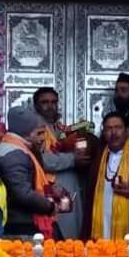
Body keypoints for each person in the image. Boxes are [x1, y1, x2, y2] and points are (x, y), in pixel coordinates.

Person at [0, 105, 72, 239]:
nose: (42, 138)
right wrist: (50, 207)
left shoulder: (15, 147)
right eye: (39, 133)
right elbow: (23, 194)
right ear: (26, 133)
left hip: (22, 222)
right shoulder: (14, 155)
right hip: (22, 224)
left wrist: (51, 189)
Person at [84, 112, 129, 241]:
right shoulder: (98, 156)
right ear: (103, 132)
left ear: (127, 131)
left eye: (118, 128)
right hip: (103, 217)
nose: (114, 133)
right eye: (109, 129)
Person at [32, 87, 91, 241]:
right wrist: (72, 159)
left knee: (71, 240)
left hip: (69, 189)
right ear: (36, 105)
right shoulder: (35, 130)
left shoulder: (59, 128)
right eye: (45, 102)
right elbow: (40, 160)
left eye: (53, 102)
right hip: (50, 190)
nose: (50, 106)